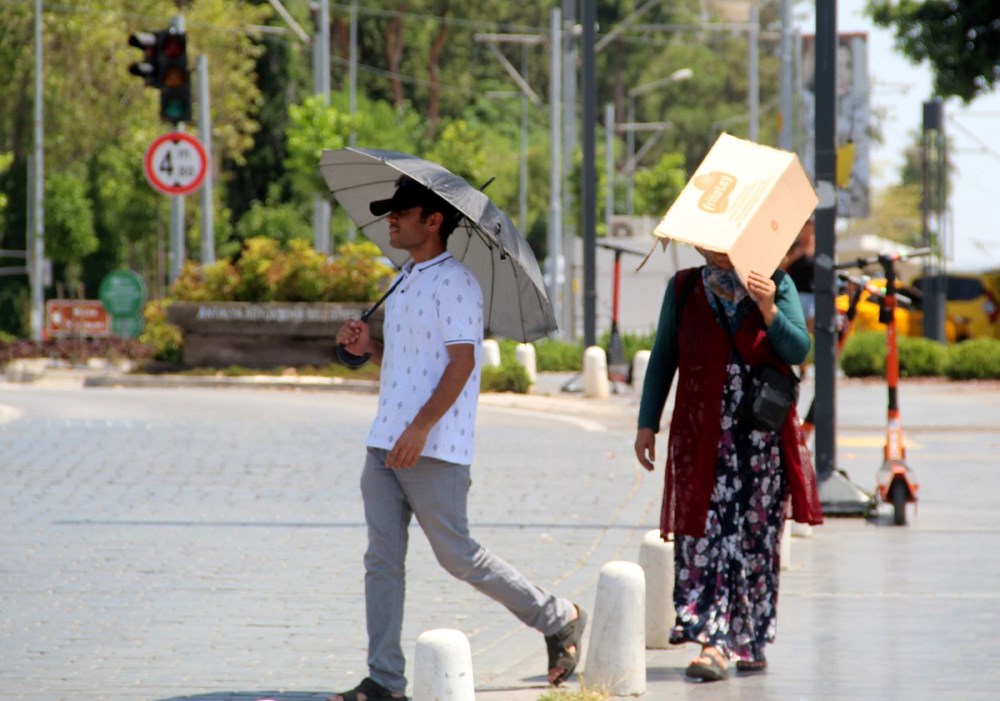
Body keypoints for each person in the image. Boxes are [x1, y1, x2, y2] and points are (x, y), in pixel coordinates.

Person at [332, 176, 586, 701]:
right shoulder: (402, 279)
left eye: (402, 212)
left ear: (434, 221)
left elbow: (463, 363)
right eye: (389, 212)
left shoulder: (458, 283)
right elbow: (404, 362)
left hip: (434, 448)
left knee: (458, 556)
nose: (391, 220)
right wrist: (365, 347)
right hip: (383, 443)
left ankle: (558, 617)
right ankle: (383, 679)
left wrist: (421, 428)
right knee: (381, 560)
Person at [633, 249, 823, 682]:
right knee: (704, 535)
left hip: (761, 438)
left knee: (757, 537)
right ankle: (712, 642)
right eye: (706, 241)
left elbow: (797, 348)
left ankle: (751, 638)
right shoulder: (683, 287)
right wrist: (648, 423)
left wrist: (768, 306)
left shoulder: (776, 280)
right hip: (702, 437)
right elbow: (664, 357)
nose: (713, 249)